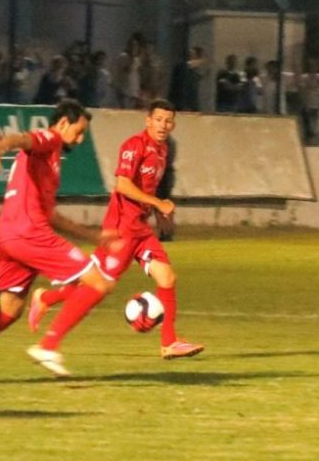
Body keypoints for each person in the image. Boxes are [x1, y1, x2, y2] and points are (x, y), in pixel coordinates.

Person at [0, 98, 118, 383]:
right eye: (78, 131)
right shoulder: (50, 139)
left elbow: (51, 215)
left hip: (9, 238)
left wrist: (93, 236)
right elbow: (19, 138)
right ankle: (48, 345)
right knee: (101, 282)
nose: (80, 139)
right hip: (29, 234)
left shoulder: (51, 161)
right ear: (62, 124)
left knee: (9, 311)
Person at [29, 100, 204, 363]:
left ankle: (169, 343)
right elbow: (122, 184)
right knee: (98, 285)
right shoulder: (134, 146)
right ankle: (48, 318)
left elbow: (148, 188)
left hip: (141, 229)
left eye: (168, 121)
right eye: (158, 119)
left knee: (166, 276)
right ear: (148, 120)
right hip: (121, 229)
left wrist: (158, 212)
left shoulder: (162, 150)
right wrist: (158, 203)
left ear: (173, 124)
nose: (163, 125)